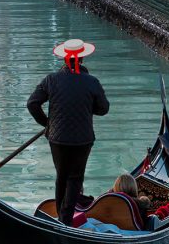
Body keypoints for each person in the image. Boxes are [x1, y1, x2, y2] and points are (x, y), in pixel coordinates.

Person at [27, 38, 110, 225]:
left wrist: (47, 123)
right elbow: (104, 108)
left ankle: (61, 217)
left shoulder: (51, 80)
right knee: (75, 178)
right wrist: (88, 107)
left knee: (62, 176)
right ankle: (65, 220)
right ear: (81, 59)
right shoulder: (91, 82)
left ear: (65, 59)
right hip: (83, 139)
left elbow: (32, 104)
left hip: (57, 138)